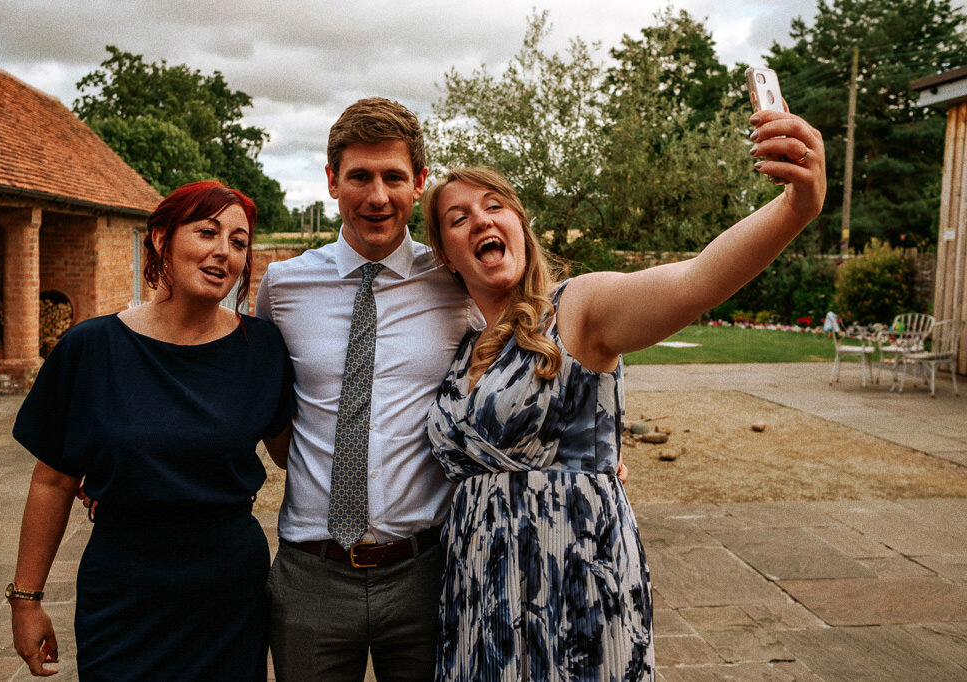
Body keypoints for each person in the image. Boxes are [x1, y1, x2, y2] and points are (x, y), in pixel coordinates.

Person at [421, 108, 826, 680]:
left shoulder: (579, 308)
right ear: (444, 253)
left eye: (494, 206)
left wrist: (795, 209)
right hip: (476, 596)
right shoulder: (462, 347)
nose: (480, 221)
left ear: (519, 223)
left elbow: (696, 281)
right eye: (457, 218)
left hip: (575, 588)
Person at [8, 181, 295, 679]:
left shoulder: (262, 349)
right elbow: (52, 481)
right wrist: (26, 600)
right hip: (124, 585)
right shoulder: (90, 348)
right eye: (207, 232)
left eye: (239, 241)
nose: (223, 252)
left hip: (227, 591)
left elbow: (295, 451)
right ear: (161, 237)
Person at [255, 98, 480, 681]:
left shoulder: (457, 282)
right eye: (359, 176)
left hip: (428, 570)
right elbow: (244, 387)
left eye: (393, 177)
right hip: (311, 575)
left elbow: (528, 360)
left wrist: (592, 448)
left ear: (419, 184)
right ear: (332, 181)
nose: (377, 196)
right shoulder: (283, 287)